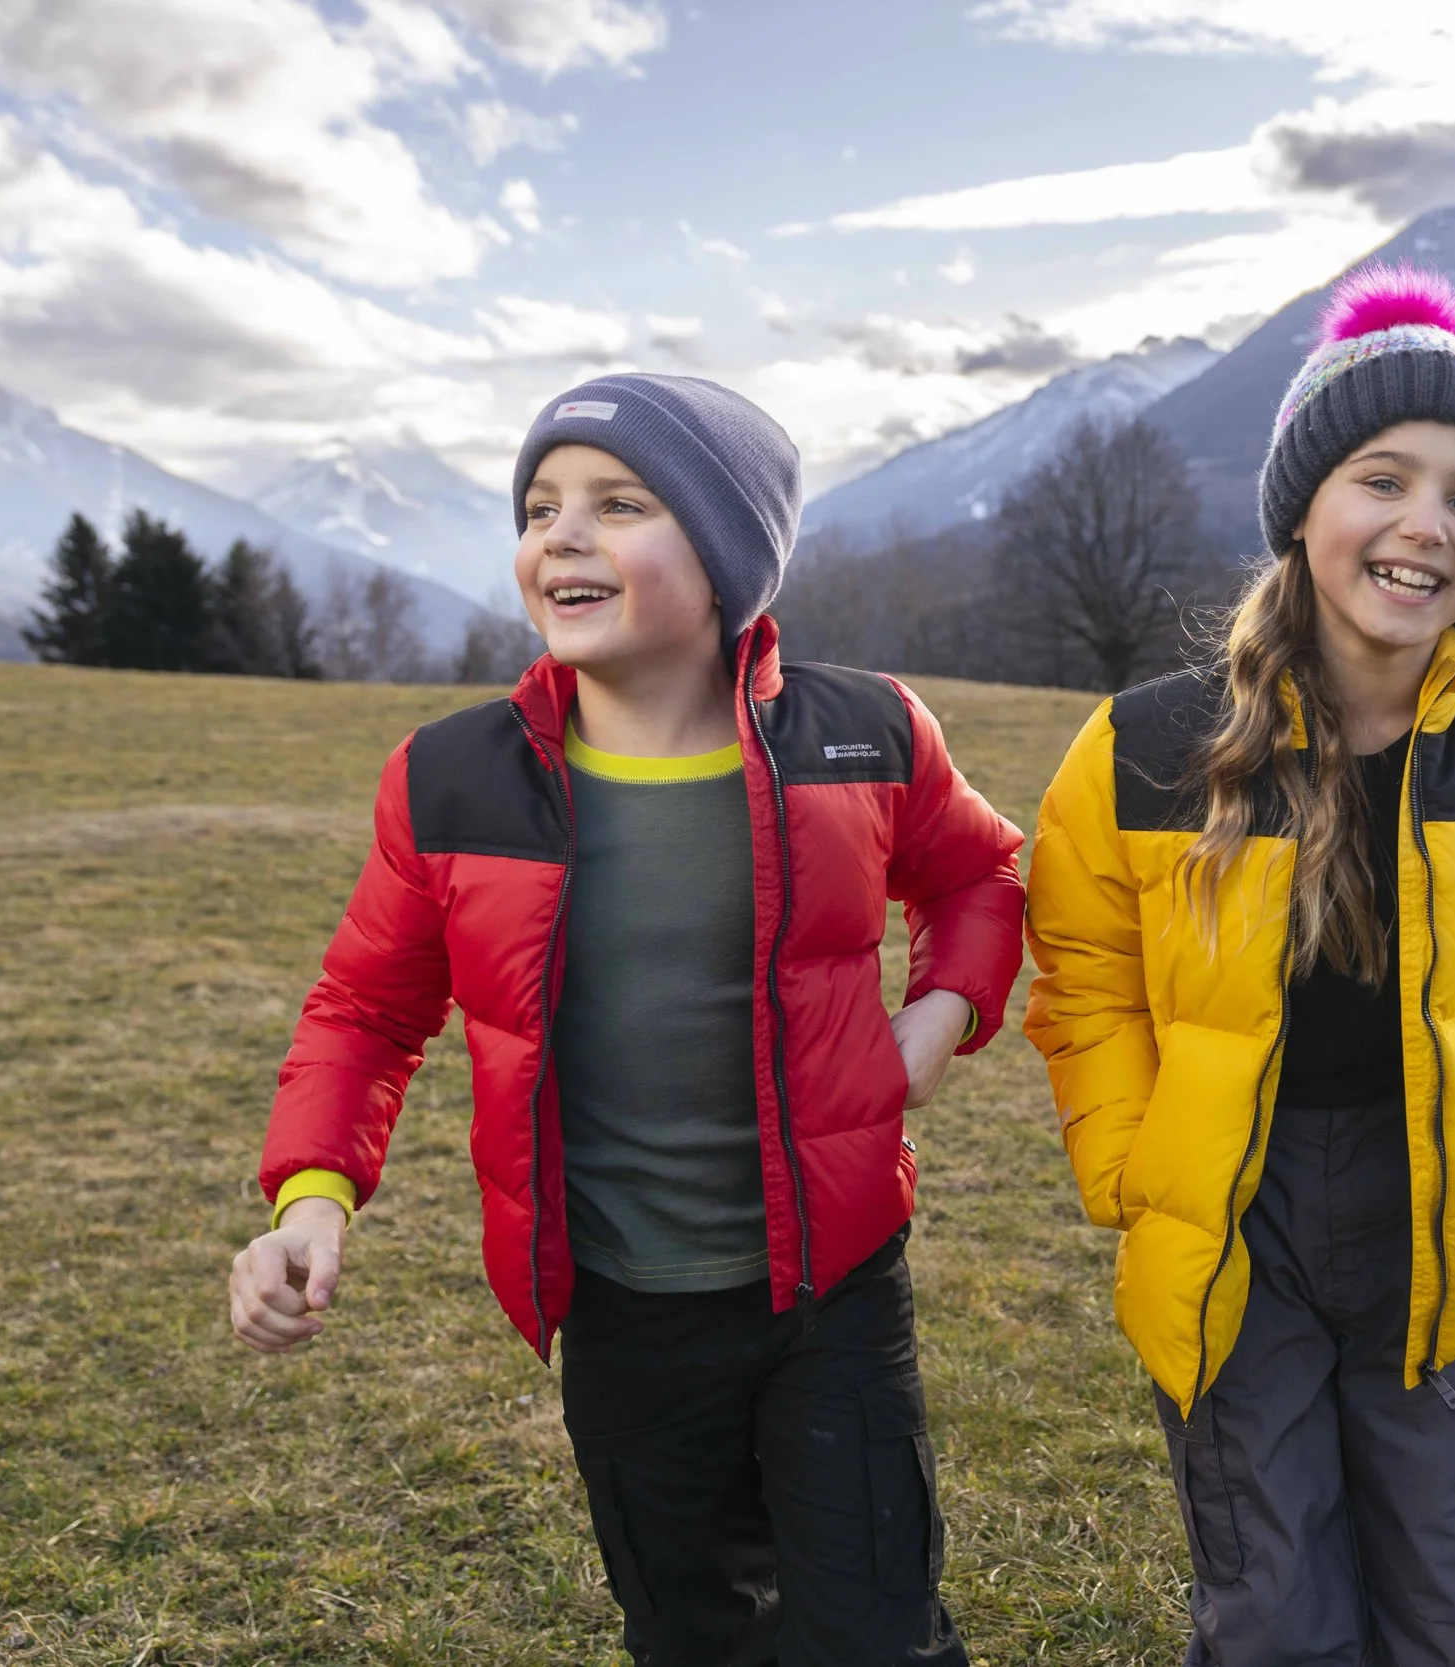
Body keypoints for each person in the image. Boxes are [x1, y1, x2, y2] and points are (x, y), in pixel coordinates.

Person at [227, 373, 1024, 1667]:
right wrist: (311, 1197)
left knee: (877, 1629)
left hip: (832, 1288)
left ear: (726, 555)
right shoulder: (451, 779)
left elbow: (981, 872)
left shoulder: (866, 734)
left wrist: (941, 1012)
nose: (563, 536)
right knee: (692, 1630)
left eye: (619, 503)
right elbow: (365, 1010)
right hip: (619, 1309)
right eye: (540, 507)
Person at [1023, 264, 1455, 1665]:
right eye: (1383, 479)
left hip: (1435, 1211)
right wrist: (1127, 1159)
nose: (1425, 524)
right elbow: (1084, 976)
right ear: (1303, 506)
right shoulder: (1143, 744)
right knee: (1274, 1611)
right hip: (1230, 1229)